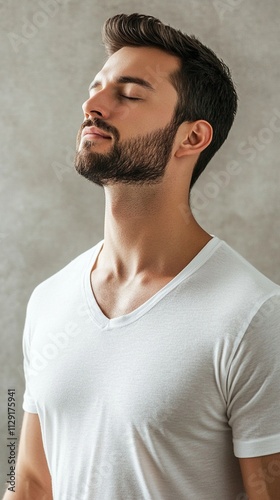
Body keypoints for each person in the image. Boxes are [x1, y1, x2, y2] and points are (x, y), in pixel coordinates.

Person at [3, 12, 280, 500]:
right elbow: (28, 483)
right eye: (96, 87)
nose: (93, 104)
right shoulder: (50, 300)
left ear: (191, 137)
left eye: (128, 94)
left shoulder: (253, 316)